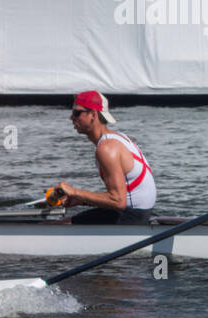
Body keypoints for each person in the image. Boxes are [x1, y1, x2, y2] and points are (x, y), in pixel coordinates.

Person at [54, 91, 157, 225]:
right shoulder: (118, 136)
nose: (71, 118)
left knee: (58, 226)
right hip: (140, 211)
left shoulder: (107, 149)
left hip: (131, 215)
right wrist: (81, 200)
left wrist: (74, 192)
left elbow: (118, 201)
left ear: (93, 115)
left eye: (76, 113)